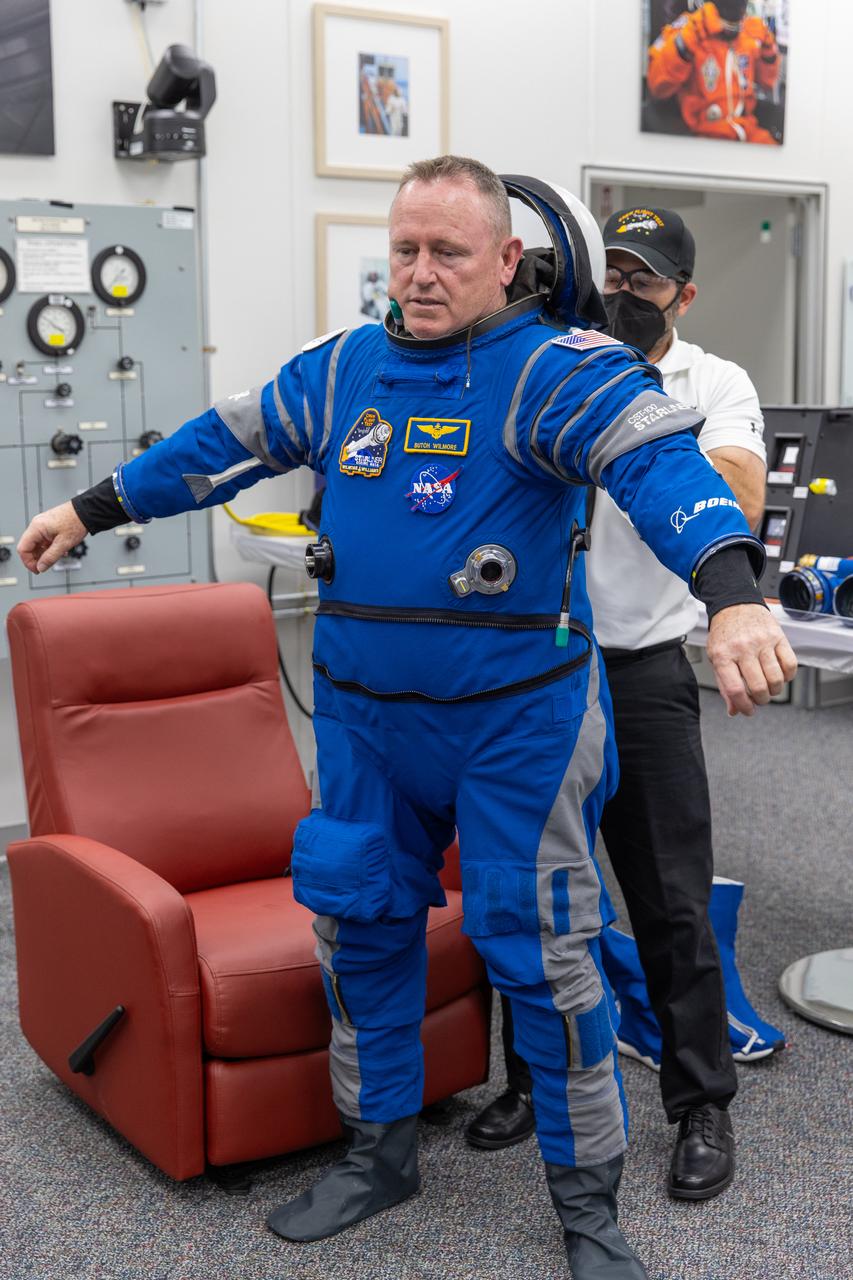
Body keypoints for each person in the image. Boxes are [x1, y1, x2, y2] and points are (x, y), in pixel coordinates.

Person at [17, 158, 796, 1280]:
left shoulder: (558, 370)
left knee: (543, 953)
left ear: (505, 259)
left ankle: (586, 1207)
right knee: (362, 926)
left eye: (448, 252)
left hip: (516, 723)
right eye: (405, 250)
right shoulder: (343, 371)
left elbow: (661, 465)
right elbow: (217, 443)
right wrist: (89, 508)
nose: (420, 275)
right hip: (368, 724)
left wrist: (729, 594)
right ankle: (378, 1149)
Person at [466, 205, 770, 1204]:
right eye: (616, 272)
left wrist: (623, 400)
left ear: (682, 294)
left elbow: (734, 493)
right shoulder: (537, 356)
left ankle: (699, 1102)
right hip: (530, 671)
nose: (628, 289)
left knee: (669, 898)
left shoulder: (711, 382)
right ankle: (526, 1081)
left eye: (648, 278)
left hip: (639, 671)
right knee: (529, 894)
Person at [647, 0, 781, 144]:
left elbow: (768, 83)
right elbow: (656, 86)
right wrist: (688, 38)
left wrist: (768, 49)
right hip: (704, 134)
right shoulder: (688, 27)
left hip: (747, 129)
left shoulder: (750, 31)